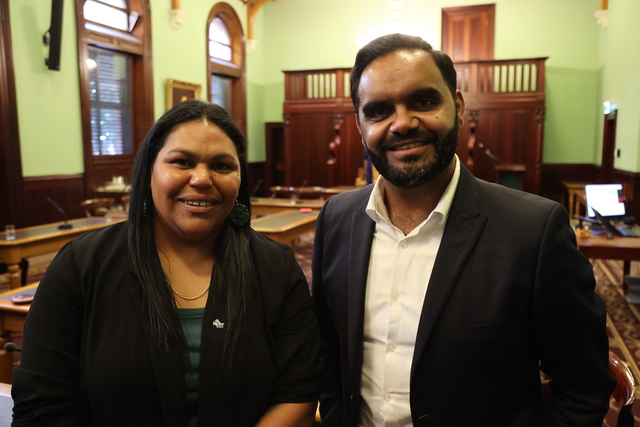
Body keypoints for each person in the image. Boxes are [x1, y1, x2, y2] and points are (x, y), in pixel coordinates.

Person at [311, 34, 615, 426]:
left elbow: (583, 387)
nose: (402, 123)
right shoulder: (336, 218)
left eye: (423, 101)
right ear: (359, 124)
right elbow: (327, 350)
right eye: (379, 111)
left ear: (457, 107)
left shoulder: (534, 231)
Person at [12, 100, 321, 426]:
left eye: (221, 166)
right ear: (149, 171)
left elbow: (299, 393)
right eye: (182, 162)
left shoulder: (276, 267)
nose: (201, 179)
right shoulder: (81, 265)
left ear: (240, 178)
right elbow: (41, 405)